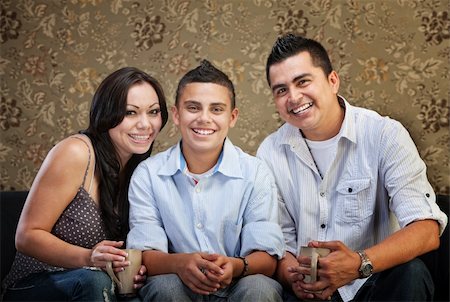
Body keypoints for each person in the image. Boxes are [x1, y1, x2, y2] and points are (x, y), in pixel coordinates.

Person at [257, 33, 448, 302]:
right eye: (281, 90)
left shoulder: (384, 134)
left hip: (372, 285)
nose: (294, 97)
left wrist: (358, 264)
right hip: (309, 295)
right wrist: (295, 279)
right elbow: (280, 244)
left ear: (332, 81)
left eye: (303, 81)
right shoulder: (270, 152)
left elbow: (426, 229)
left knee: (412, 273)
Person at [2, 67, 169, 301]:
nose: (145, 124)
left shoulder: (143, 170)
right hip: (34, 285)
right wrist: (89, 257)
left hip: (97, 289)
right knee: (94, 280)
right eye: (130, 113)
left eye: (153, 112)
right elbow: (26, 236)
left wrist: (129, 269)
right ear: (106, 114)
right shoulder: (76, 152)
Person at [126, 59, 285, 302]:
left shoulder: (255, 172)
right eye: (193, 108)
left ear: (232, 117)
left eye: (216, 109)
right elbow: (143, 252)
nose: (204, 118)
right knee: (164, 286)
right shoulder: (148, 174)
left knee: (260, 287)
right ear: (177, 115)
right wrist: (180, 263)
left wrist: (234, 266)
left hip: (238, 283)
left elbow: (267, 258)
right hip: (177, 282)